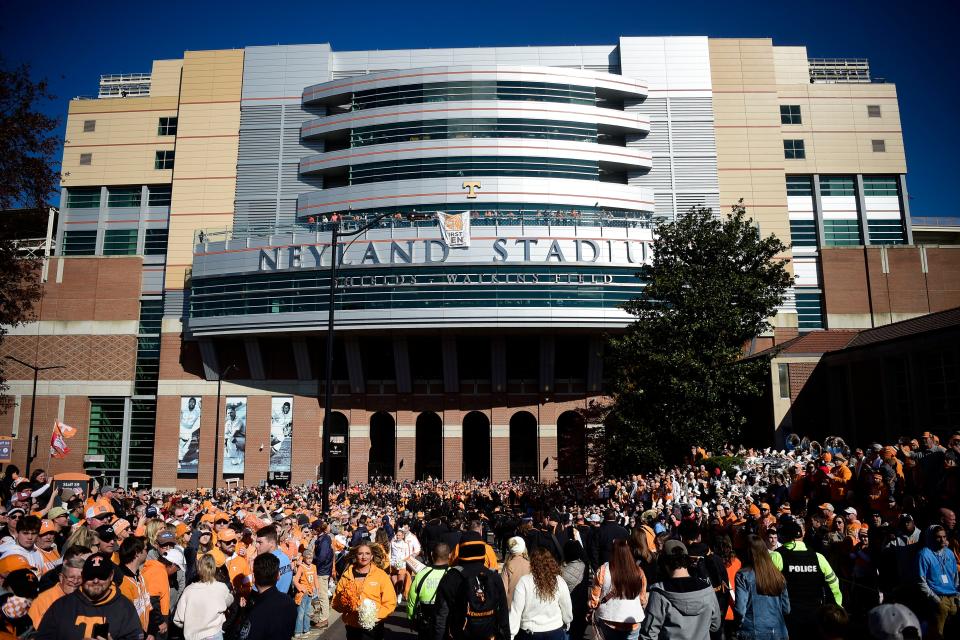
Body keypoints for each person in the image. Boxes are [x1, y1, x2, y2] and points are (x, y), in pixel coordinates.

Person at [35, 552, 144, 640]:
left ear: (111, 576)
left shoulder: (125, 608)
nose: (96, 581)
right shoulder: (61, 606)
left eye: (102, 576)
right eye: (91, 576)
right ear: (83, 576)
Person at [770, 517, 842, 638]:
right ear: (802, 536)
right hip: (815, 615)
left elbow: (767, 585)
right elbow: (834, 582)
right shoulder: (818, 557)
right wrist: (838, 607)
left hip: (788, 616)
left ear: (785, 537)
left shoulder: (777, 556)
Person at [433, 534, 510, 640]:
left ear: (461, 550)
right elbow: (503, 614)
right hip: (489, 635)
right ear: (482, 550)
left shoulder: (451, 577)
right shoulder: (493, 576)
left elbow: (441, 616)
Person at [640, 540, 720, 640]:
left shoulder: (660, 592)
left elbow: (649, 634)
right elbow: (715, 625)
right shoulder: (707, 589)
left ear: (664, 563)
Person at [332, 543, 396, 640]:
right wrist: (345, 604)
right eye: (360, 553)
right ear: (355, 556)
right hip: (352, 627)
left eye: (367, 553)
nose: (364, 556)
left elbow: (390, 602)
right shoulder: (347, 576)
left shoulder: (380, 575)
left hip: (374, 627)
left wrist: (373, 617)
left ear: (371, 556)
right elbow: (336, 603)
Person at [733, 534, 790, 640]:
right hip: (779, 631)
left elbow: (741, 609)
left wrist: (738, 627)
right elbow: (786, 609)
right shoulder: (778, 575)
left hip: (753, 631)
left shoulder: (743, 575)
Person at [509, 547, 573, 640]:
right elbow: (566, 605)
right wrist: (567, 620)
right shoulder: (559, 580)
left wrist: (512, 633)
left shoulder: (524, 581)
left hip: (530, 631)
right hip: (554, 629)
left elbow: (516, 610)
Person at [590, 539, 647, 640]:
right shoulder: (638, 572)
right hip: (633, 619)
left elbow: (595, 597)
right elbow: (642, 598)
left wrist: (592, 606)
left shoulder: (603, 570)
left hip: (609, 618)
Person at [173, 554, 234, 640]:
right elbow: (230, 600)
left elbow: (178, 619)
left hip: (192, 636)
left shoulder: (189, 590)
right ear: (214, 568)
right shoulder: (221, 588)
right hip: (214, 634)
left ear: (198, 568)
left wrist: (190, 625)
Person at [239, 553, 297, 640]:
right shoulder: (289, 601)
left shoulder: (255, 611)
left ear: (254, 577)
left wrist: (242, 614)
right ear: (278, 576)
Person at [916, 525, 959, 640]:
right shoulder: (924, 554)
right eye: (938, 537)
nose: (942, 540)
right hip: (937, 599)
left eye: (944, 537)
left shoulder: (949, 553)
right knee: (937, 635)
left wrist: (957, 595)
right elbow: (921, 581)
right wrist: (936, 600)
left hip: (952, 598)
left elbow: (955, 576)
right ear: (931, 538)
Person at [29, 551, 85, 628]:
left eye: (79, 578)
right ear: (61, 577)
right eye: (71, 577)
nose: (75, 581)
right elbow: (35, 632)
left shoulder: (85, 597)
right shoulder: (42, 600)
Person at [407, 543, 451, 640]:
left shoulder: (421, 574)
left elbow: (412, 599)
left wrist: (411, 618)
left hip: (426, 621)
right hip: (448, 622)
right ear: (450, 555)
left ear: (431, 554)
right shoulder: (453, 574)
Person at [254, 525, 292, 595]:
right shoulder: (285, 558)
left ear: (271, 543)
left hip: (267, 602)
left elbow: (256, 591)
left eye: (260, 542)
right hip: (282, 601)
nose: (256, 545)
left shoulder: (267, 563)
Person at [293, 548, 318, 638]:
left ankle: (306, 629)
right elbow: (295, 580)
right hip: (303, 594)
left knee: (307, 612)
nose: (310, 560)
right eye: (308, 558)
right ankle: (298, 631)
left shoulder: (314, 567)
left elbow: (315, 578)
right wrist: (301, 589)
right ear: (304, 558)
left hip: (311, 592)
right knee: (301, 613)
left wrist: (316, 588)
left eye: (311, 558)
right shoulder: (301, 567)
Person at [502, 536, 531, 607]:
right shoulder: (530, 565)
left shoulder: (508, 565)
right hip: (528, 603)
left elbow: (504, 589)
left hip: (512, 604)